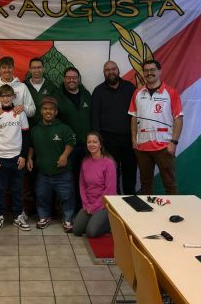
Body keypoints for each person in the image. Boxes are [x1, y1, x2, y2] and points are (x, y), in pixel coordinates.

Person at [129, 60, 184, 195]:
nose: (149, 73)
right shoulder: (137, 93)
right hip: (142, 147)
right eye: (146, 70)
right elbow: (133, 117)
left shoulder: (171, 92)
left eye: (152, 70)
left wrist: (173, 142)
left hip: (164, 146)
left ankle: (174, 209)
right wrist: (134, 139)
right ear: (143, 73)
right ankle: (147, 209)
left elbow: (178, 119)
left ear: (160, 71)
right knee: (145, 184)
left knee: (169, 183)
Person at [27, 96, 76, 232]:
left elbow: (71, 142)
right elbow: (31, 146)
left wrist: (64, 156)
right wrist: (30, 158)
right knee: (41, 196)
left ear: (56, 112)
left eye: (51, 109)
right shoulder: (35, 130)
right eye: (45, 109)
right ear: (41, 111)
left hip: (62, 173)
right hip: (43, 173)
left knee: (67, 197)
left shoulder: (64, 128)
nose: (48, 111)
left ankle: (67, 219)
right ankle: (44, 217)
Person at [0, 84, 30, 233]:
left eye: (8, 96)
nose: (5, 98)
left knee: (17, 189)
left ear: (13, 97)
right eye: (2, 96)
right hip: (0, 158)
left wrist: (23, 156)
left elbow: (26, 135)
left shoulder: (20, 113)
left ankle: (18, 216)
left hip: (17, 158)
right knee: (0, 189)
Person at [91, 61, 136, 194]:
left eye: (113, 69)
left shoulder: (130, 87)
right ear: (104, 73)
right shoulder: (98, 91)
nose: (111, 72)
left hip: (129, 139)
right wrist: (98, 141)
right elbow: (94, 117)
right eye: (107, 70)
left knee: (130, 172)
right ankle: (114, 202)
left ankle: (130, 200)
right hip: (108, 140)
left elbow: (137, 113)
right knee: (111, 174)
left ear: (118, 70)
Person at [55, 67, 92, 211]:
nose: (71, 80)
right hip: (68, 147)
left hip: (87, 146)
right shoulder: (57, 96)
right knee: (68, 180)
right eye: (68, 77)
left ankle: (85, 208)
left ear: (79, 79)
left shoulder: (86, 95)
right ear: (64, 79)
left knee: (86, 178)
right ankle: (70, 211)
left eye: (74, 77)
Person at [73, 131, 116, 238]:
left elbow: (110, 190)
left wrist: (94, 207)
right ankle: (94, 221)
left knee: (91, 232)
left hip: (104, 204)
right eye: (89, 142)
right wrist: (86, 205)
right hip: (89, 204)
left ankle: (110, 224)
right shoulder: (85, 162)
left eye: (95, 142)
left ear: (100, 144)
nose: (91, 144)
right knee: (77, 230)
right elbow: (82, 185)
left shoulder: (108, 163)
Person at [0, 56, 35, 120]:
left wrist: (24, 108)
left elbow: (32, 110)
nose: (7, 70)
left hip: (19, 125)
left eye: (9, 67)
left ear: (13, 68)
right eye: (4, 67)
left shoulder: (22, 87)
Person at [24, 57, 58, 126]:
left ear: (43, 69)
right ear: (30, 70)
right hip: (28, 125)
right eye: (34, 68)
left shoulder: (51, 86)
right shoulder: (24, 85)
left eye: (39, 67)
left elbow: (56, 106)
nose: (37, 70)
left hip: (47, 125)